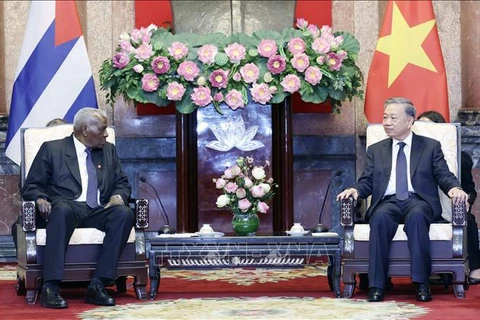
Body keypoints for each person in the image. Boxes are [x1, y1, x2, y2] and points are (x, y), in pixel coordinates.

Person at [337, 97, 468, 302]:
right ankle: (376, 286)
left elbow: (443, 174)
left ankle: (422, 284)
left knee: (417, 216)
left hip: (418, 200)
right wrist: (354, 190)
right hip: (388, 202)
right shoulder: (376, 150)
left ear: (409, 121)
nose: (387, 122)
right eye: (385, 117)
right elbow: (367, 181)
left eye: (393, 118)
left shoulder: (430, 146)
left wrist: (454, 188)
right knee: (379, 218)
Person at [21, 108, 134, 309]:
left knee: (124, 213)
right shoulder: (52, 149)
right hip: (66, 208)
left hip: (97, 209)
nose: (106, 134)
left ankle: (98, 284)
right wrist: (40, 199)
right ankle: (51, 286)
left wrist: (118, 196)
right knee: (62, 209)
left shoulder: (108, 150)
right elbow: (31, 185)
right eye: (102, 129)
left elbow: (122, 182)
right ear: (84, 130)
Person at [417, 110, 480, 284]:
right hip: (423, 207)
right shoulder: (412, 155)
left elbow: (469, 188)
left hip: (452, 206)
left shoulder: (460, 158)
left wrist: (466, 200)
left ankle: (475, 268)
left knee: (468, 219)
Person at [11, 118, 67, 252]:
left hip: (72, 209)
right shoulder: (38, 157)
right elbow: (28, 188)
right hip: (44, 210)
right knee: (20, 226)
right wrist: (40, 198)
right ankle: (30, 264)